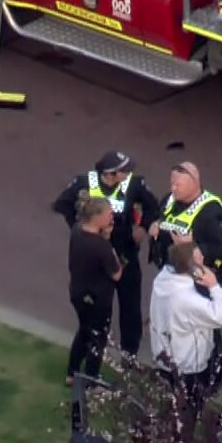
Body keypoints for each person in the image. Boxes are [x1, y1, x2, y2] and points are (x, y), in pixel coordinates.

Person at [52, 150, 161, 357]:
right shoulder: (84, 182)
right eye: (124, 170)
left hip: (125, 253)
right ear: (110, 174)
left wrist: (143, 227)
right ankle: (88, 354)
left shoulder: (134, 184)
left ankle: (130, 354)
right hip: (95, 257)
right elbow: (62, 204)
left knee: (130, 306)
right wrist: (81, 228)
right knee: (96, 310)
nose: (128, 173)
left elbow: (153, 207)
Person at [149, 238, 222, 403]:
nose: (203, 259)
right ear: (193, 268)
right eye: (200, 258)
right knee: (188, 410)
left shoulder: (162, 280)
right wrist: (214, 286)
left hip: (165, 361)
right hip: (188, 369)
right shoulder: (188, 300)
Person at [67, 197, 124, 384]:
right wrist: (109, 243)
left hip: (78, 293)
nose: (111, 217)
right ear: (97, 217)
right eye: (108, 214)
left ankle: (72, 372)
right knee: (97, 339)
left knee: (84, 331)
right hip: (98, 300)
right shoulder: (101, 247)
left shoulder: (77, 231)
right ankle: (91, 379)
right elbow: (116, 274)